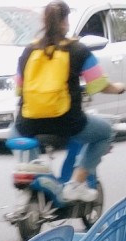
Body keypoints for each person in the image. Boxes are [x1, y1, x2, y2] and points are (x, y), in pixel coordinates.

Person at [15, 0, 126, 203]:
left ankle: (34, 165)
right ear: (65, 22)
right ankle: (76, 184)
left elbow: (18, 89)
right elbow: (98, 85)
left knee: (14, 130)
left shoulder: (28, 51)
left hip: (28, 123)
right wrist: (119, 87)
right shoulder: (77, 50)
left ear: (44, 21)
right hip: (68, 123)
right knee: (106, 132)